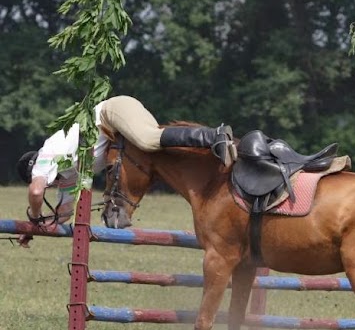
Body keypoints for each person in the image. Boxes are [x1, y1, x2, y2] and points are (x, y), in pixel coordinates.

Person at [16, 95, 234, 237]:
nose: (49, 186)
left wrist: (34, 216)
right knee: (157, 152)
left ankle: (214, 136)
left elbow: (36, 191)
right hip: (118, 119)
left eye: (46, 183)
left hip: (112, 111)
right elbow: (62, 216)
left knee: (148, 140)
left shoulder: (46, 157)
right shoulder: (69, 176)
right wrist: (34, 229)